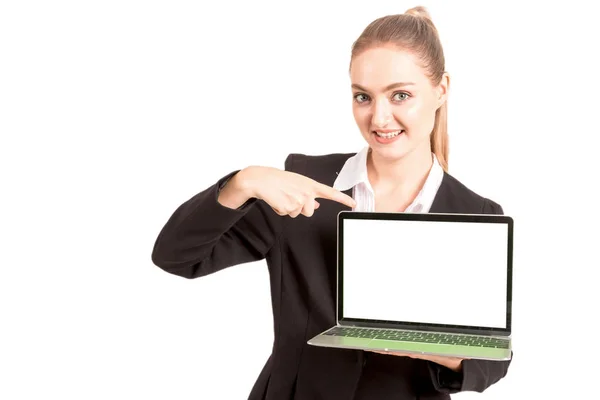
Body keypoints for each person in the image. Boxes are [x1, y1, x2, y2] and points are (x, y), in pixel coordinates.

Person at [151, 6, 512, 400]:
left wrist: (437, 351)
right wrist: (244, 182)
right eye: (363, 96)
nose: (379, 117)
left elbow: (493, 360)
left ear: (441, 90)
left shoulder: (476, 213)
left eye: (401, 95)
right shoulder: (301, 184)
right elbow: (177, 257)